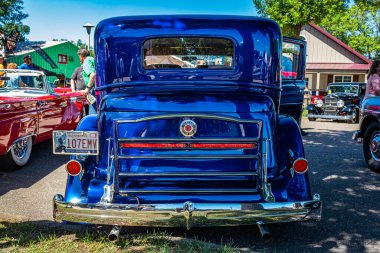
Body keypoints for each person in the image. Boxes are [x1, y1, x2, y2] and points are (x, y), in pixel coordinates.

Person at [77, 49, 96, 114]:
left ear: (81, 56)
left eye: (79, 57)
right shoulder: (91, 59)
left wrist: (87, 88)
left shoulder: (86, 61)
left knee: (92, 112)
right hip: (96, 87)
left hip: (93, 89)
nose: (79, 59)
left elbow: (92, 74)